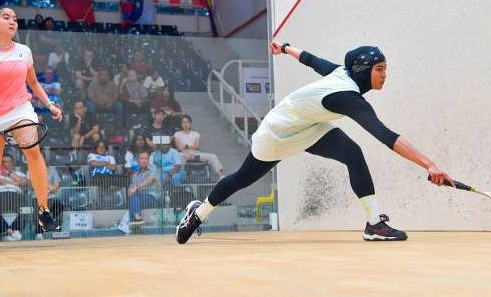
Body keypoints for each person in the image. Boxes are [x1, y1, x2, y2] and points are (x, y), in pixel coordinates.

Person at [176, 41, 454, 244]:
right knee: (241, 179)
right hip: (277, 133)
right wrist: (429, 165)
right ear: (363, 70)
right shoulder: (347, 96)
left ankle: (374, 225)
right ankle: (197, 214)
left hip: (308, 127)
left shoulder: (342, 73)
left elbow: (310, 59)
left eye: (386, 68)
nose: (385, 74)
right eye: (380, 69)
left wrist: (284, 48)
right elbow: (385, 135)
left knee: (353, 154)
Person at [0, 6, 62, 248]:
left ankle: (44, 210)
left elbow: (32, 82)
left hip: (21, 110)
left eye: (15, 18)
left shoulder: (24, 51)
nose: (12, 21)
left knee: (33, 152)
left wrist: (49, 104)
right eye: (6, 17)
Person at [172, 115, 223, 180]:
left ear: (190, 123)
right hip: (183, 153)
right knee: (180, 156)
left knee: (213, 156)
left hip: (196, 153)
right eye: (183, 122)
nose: (185, 124)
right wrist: (189, 149)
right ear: (181, 124)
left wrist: (186, 146)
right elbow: (179, 147)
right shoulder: (177, 134)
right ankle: (179, 177)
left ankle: (221, 176)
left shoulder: (196, 134)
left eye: (187, 122)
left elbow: (197, 147)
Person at [127, 152, 159, 225]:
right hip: (139, 199)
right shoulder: (135, 175)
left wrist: (136, 187)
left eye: (146, 158)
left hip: (152, 198)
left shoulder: (153, 168)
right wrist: (130, 191)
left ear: (148, 160)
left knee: (133, 199)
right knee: (133, 197)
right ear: (138, 161)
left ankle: (135, 219)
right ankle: (137, 218)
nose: (144, 160)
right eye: (141, 158)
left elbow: (150, 180)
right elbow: (131, 190)